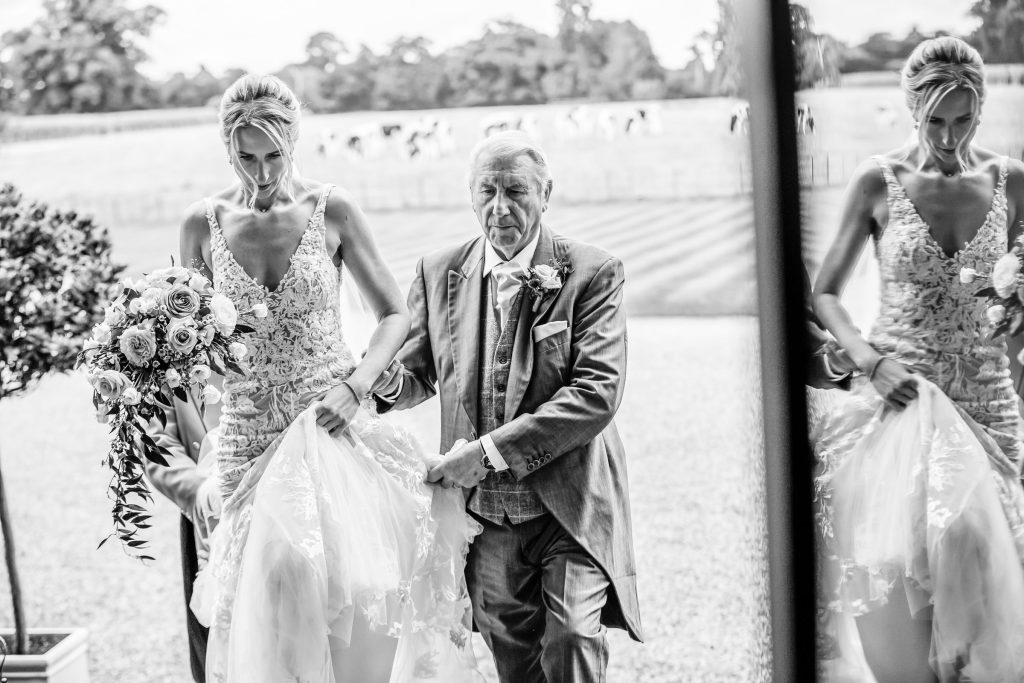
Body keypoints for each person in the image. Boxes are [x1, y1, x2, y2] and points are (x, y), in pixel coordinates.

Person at [181, 73, 481, 682]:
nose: (262, 173)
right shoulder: (200, 225)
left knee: (356, 600)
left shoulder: (331, 209)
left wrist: (355, 387)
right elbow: (194, 346)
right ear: (226, 147)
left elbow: (395, 314)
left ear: (293, 142)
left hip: (332, 428)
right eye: (246, 158)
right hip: (246, 441)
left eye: (273, 156)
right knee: (269, 617)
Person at [372, 130, 642, 683]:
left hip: (571, 503)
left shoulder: (592, 271)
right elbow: (418, 373)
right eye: (487, 191)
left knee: (572, 638)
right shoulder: (437, 271)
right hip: (485, 517)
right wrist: (379, 379)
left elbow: (596, 392)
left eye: (515, 190)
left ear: (546, 194)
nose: (500, 207)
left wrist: (487, 453)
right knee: (515, 663)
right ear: (470, 195)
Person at [811, 36, 1024, 682]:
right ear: (911, 109)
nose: (950, 137)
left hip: (989, 402)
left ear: (981, 109)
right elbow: (825, 292)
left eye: (964, 119)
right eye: (935, 121)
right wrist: (868, 361)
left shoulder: (1012, 180)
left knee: (986, 581)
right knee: (897, 571)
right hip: (902, 400)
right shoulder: (877, 180)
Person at [143, 388, 221, 683]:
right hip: (208, 518)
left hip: (284, 501)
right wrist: (204, 493)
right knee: (217, 646)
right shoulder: (161, 364)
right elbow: (157, 440)